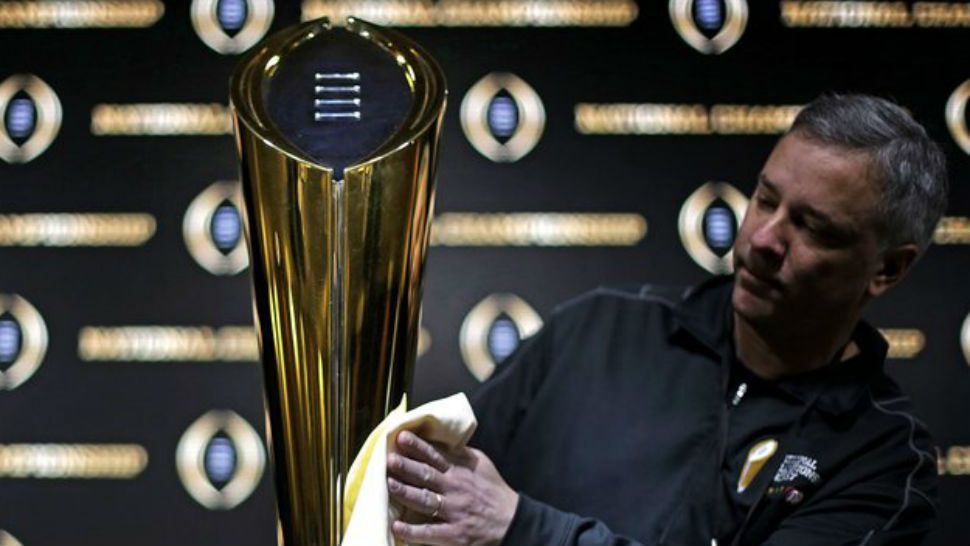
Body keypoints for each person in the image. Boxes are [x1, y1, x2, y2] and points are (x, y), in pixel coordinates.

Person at [385, 94, 949, 546]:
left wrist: (520, 527)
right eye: (765, 199)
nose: (762, 240)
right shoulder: (596, 329)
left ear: (889, 269)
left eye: (814, 229)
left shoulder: (884, 462)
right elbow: (427, 501)